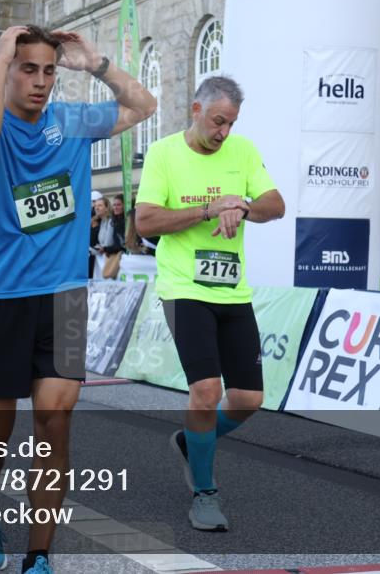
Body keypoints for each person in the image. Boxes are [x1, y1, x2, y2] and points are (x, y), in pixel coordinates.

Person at [0, 24, 155, 574]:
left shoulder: (71, 121)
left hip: (64, 300)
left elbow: (143, 104)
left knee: (55, 421)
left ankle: (38, 555)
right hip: (1, 300)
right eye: (28, 69)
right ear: (8, 69)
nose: (41, 82)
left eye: (47, 70)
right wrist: (0, 56)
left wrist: (94, 64)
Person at [134, 76, 285, 532]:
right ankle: (204, 492)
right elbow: (145, 221)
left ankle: (192, 440)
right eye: (218, 121)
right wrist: (208, 209)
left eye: (231, 123)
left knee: (248, 399)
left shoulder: (241, 152)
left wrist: (242, 207)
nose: (224, 132)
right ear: (196, 110)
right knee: (206, 391)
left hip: (231, 291)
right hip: (183, 288)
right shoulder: (163, 153)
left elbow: (276, 204)